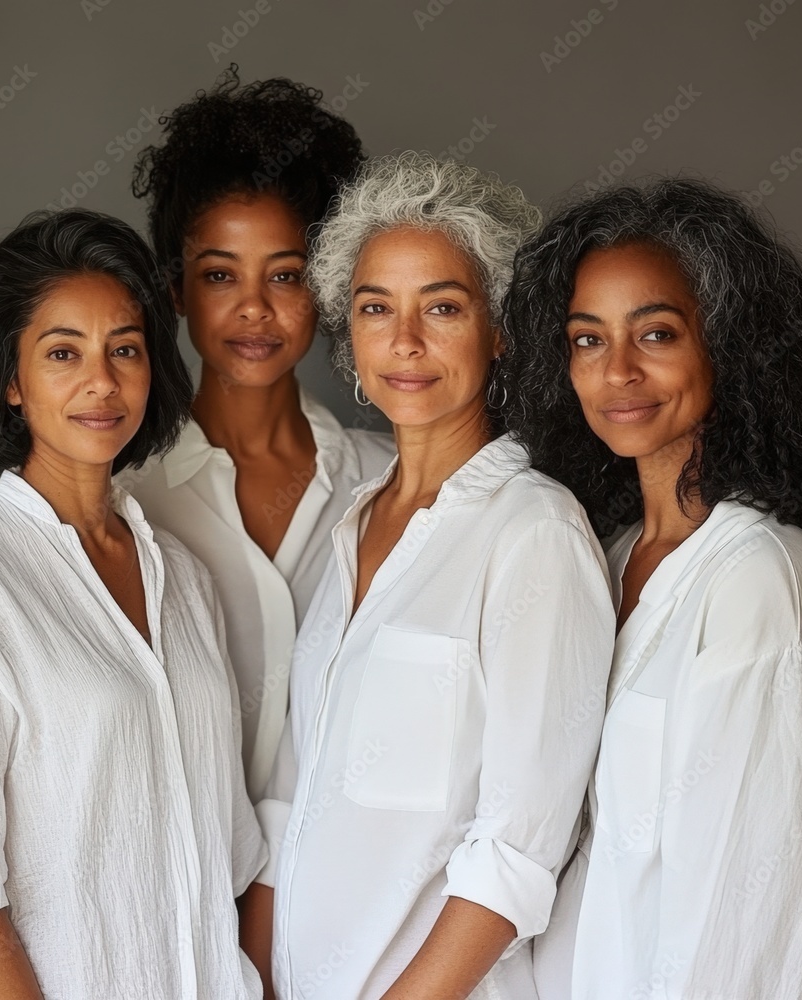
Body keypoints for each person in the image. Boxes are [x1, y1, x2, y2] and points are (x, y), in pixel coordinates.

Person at [249, 151, 615, 999]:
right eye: (377, 308)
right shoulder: (350, 527)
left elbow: (517, 850)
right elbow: (291, 804)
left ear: (501, 332)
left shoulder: (535, 534)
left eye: (442, 308)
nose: (405, 343)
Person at [0, 210, 266, 999]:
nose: (103, 381)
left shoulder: (185, 581)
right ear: (13, 381)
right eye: (64, 353)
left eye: (124, 349)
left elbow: (220, 858)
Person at [503, 178, 802, 999]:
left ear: (728, 346)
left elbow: (753, 907)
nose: (617, 371)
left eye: (655, 333)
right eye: (587, 340)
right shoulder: (604, 553)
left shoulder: (759, 580)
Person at [128, 65, 395, 803]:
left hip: (345, 901)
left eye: (286, 275)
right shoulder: (121, 499)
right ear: (175, 290)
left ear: (328, 287)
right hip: (175, 896)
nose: (254, 309)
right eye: (220, 276)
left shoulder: (393, 484)